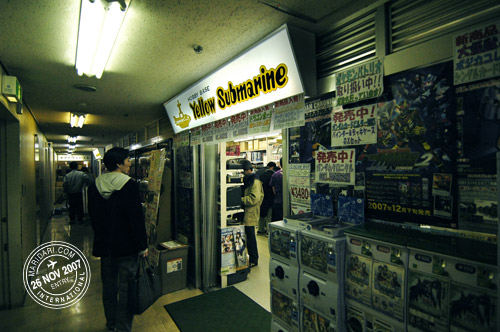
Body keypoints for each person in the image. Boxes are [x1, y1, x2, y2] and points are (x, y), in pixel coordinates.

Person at [88, 147, 148, 332]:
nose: (130, 163)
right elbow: (135, 219)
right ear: (118, 164)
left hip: (105, 247)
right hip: (127, 247)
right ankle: (123, 327)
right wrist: (142, 245)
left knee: (109, 287)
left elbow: (93, 217)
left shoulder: (94, 186)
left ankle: (111, 322)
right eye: (127, 160)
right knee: (126, 288)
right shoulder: (129, 185)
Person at [240, 159, 263, 267]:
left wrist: (240, 200)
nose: (243, 173)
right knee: (247, 236)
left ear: (250, 170)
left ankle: (254, 259)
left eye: (244, 170)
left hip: (251, 211)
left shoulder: (255, 181)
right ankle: (249, 257)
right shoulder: (249, 179)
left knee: (250, 237)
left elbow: (255, 198)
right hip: (247, 211)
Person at [255, 161, 276, 235]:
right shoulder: (273, 175)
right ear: (272, 167)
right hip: (270, 197)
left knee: (262, 215)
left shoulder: (261, 174)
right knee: (269, 215)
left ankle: (260, 230)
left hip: (262, 197)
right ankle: (268, 231)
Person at [270, 157, 284, 221]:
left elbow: (273, 188)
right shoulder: (292, 174)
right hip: (289, 202)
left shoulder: (275, 174)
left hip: (277, 201)